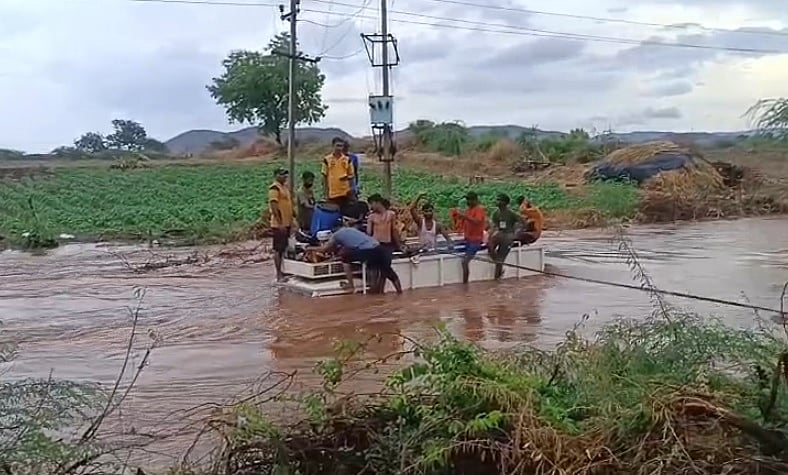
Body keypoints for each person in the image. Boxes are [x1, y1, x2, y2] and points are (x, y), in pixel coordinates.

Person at [311, 223, 402, 294]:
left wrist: (309, 248)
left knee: (345, 258)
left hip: (368, 250)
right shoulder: (352, 230)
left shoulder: (336, 235)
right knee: (388, 271)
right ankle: (399, 292)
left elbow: (324, 249)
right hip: (379, 247)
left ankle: (351, 286)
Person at [366, 194, 404, 293]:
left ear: (377, 202)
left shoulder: (391, 214)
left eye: (372, 204)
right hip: (374, 245)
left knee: (386, 269)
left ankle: (398, 291)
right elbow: (369, 233)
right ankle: (376, 290)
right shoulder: (371, 217)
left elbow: (394, 230)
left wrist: (399, 245)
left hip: (387, 245)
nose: (371, 207)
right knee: (373, 267)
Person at [268, 168, 295, 281]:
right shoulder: (274, 188)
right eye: (282, 175)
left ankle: (283, 272)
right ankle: (279, 274)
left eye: (285, 175)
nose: (284, 177)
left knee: (283, 248)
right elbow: (274, 206)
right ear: (276, 175)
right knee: (278, 249)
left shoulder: (285, 188)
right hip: (279, 224)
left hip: (287, 222)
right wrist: (280, 223)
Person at [489, 193, 522, 279]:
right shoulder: (496, 213)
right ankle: (498, 263)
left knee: (501, 257)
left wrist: (516, 232)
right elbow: (493, 225)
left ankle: (497, 276)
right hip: (500, 233)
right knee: (489, 246)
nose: (497, 201)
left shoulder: (511, 213)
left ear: (504, 202)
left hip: (508, 235)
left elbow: (522, 222)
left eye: (499, 200)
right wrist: (490, 234)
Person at [456, 191, 487, 284]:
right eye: (467, 200)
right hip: (468, 239)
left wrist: (464, 216)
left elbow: (477, 221)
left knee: (465, 261)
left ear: (475, 200)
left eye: (469, 200)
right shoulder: (468, 210)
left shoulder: (479, 209)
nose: (468, 202)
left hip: (476, 241)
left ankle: (465, 284)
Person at [322, 137, 355, 211]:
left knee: (345, 214)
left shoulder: (347, 159)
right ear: (333, 146)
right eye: (337, 145)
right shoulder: (327, 159)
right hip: (332, 194)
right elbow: (324, 177)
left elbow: (352, 176)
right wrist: (325, 194)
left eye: (341, 146)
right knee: (333, 215)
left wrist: (347, 178)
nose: (339, 148)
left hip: (345, 193)